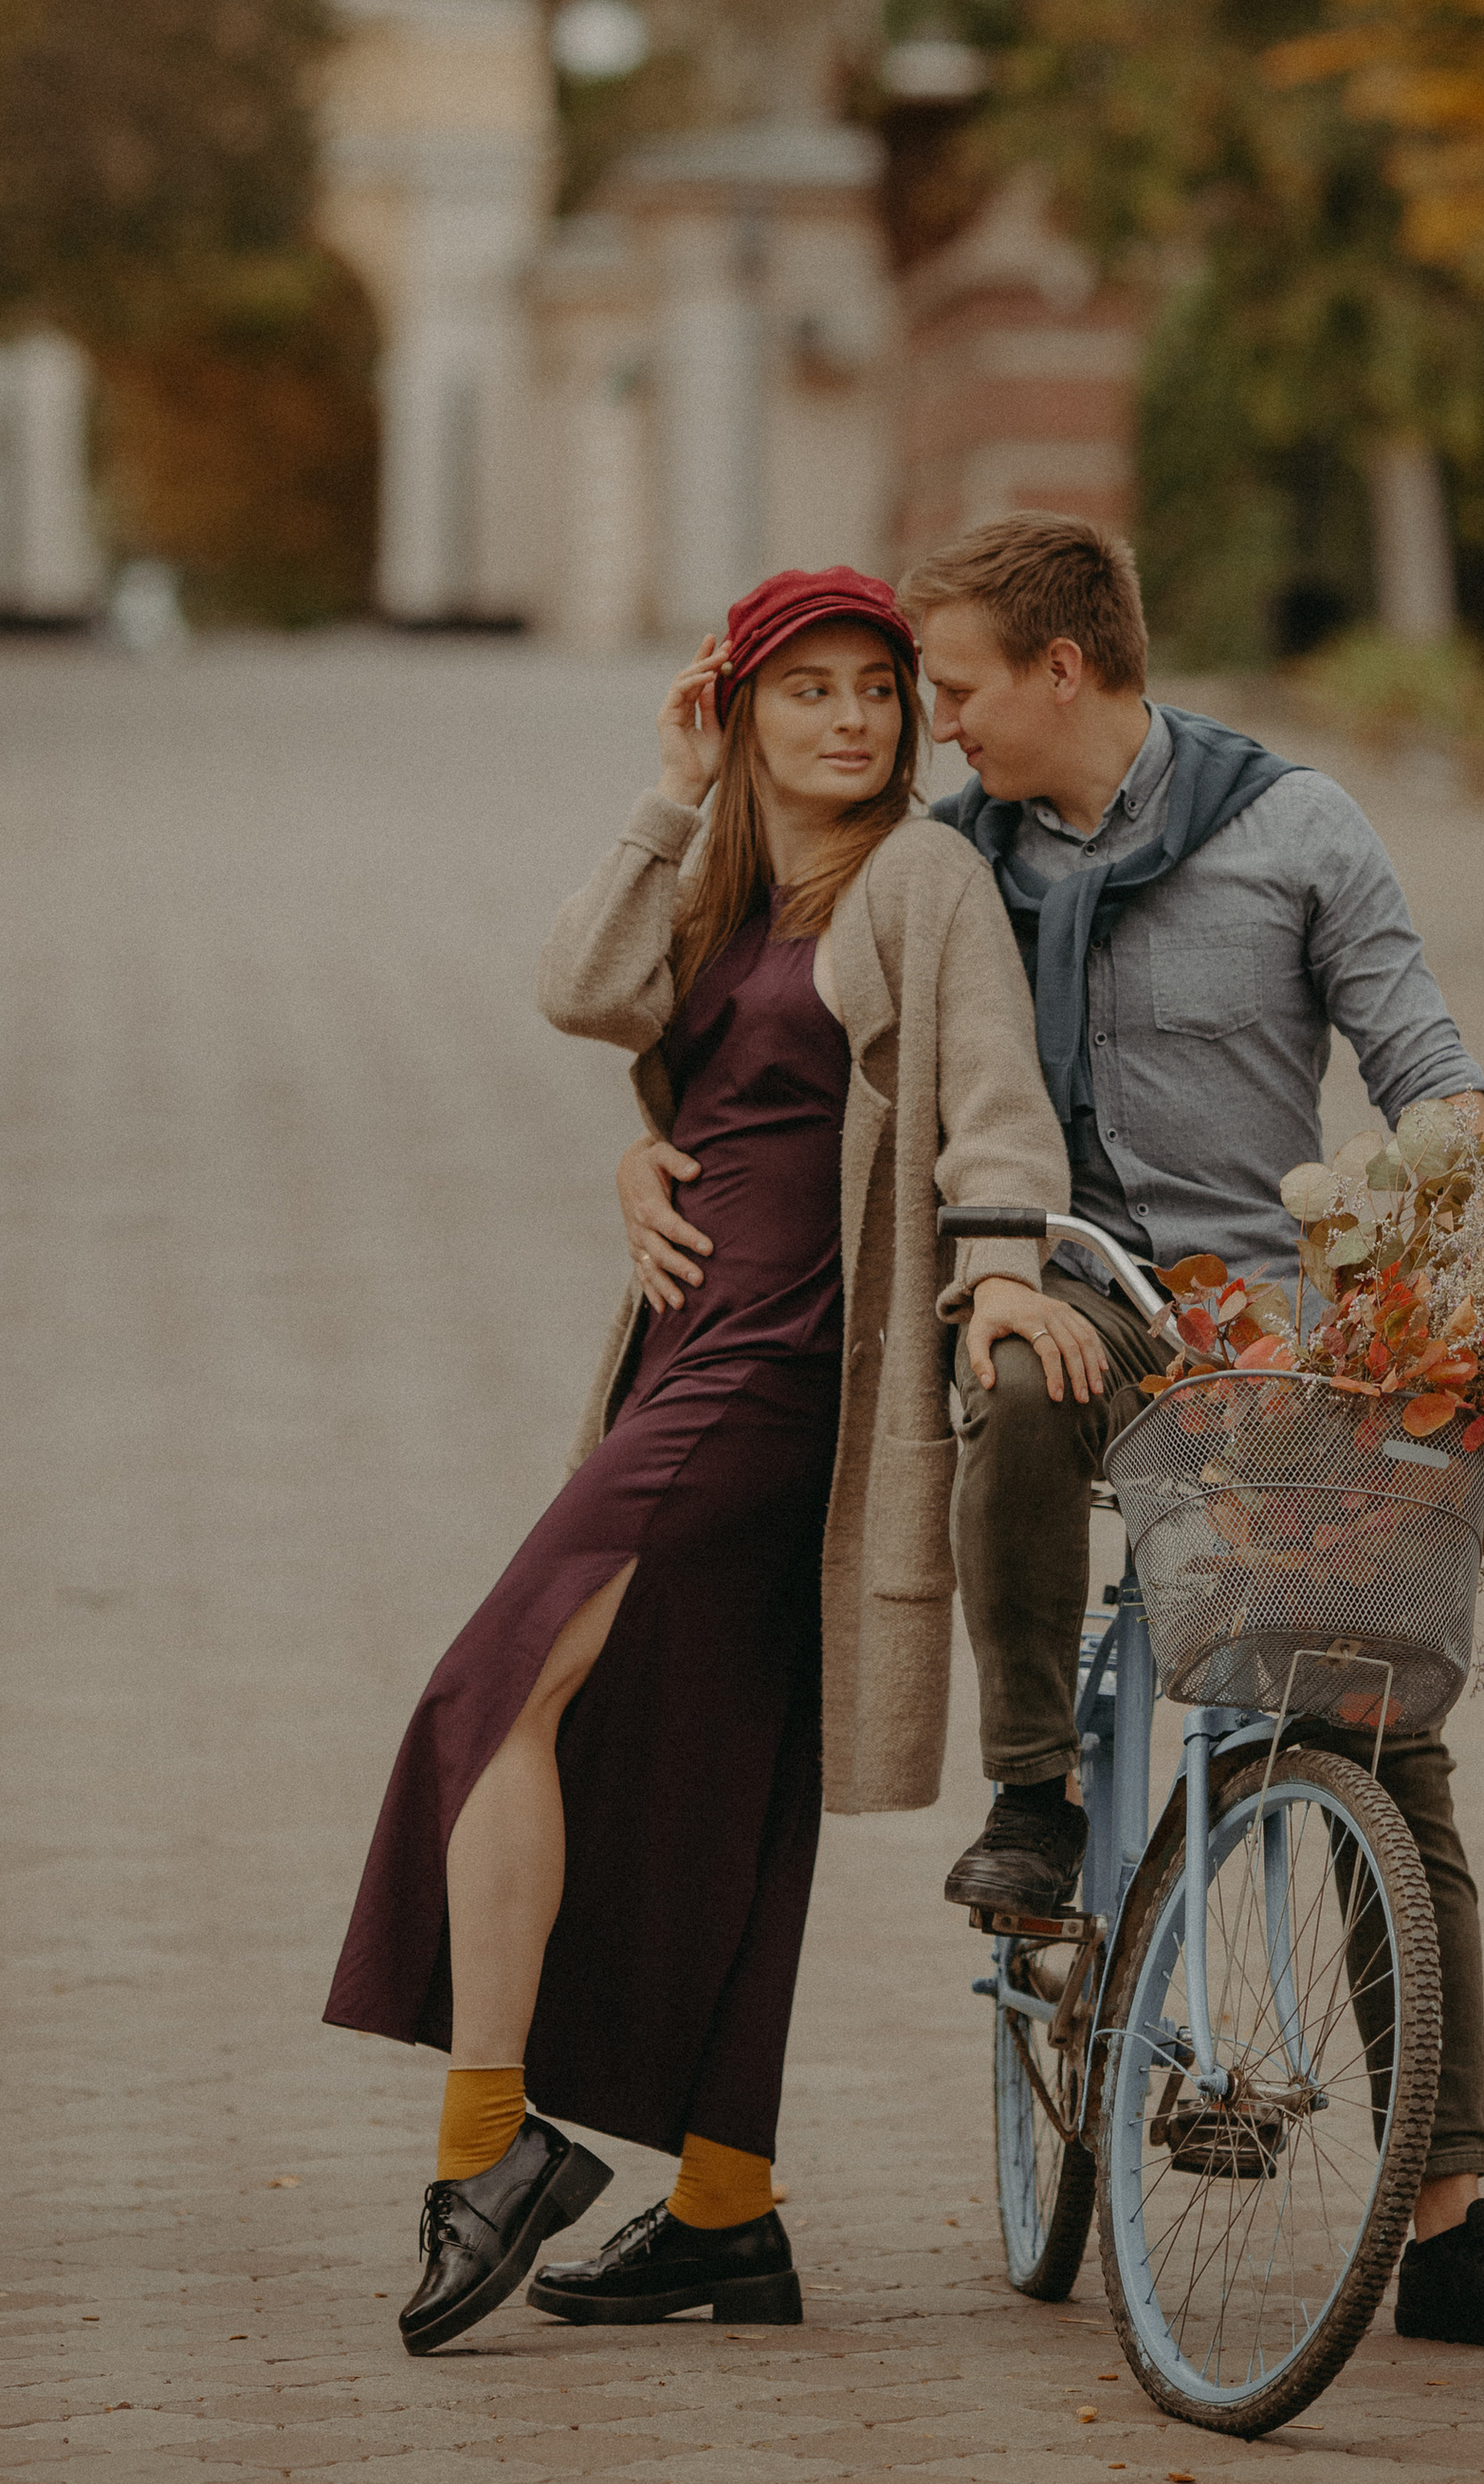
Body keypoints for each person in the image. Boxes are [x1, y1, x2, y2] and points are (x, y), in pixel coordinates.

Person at [618, 514, 1484, 2359]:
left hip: (1269, 1340)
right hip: (1056, 1290)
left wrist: (1449, 1271)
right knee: (1013, 1381)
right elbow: (740, 1011)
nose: (934, 723)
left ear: (1061, 674)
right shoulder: (942, 864)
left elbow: (1427, 1074)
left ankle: (1453, 2219)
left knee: (1384, 1740)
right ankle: (1032, 1791)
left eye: (958, 687)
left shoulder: (1289, 832)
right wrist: (643, 1133)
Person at [325, 562, 1068, 2359]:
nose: (852, 720)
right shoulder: (737, 871)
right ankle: (727, 2212)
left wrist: (1005, 1268)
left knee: (495, 1691)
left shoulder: (924, 875)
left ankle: (487, 2151)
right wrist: (669, 798)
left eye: (877, 690)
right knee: (722, 1763)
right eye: (804, 688)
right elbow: (587, 994)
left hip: (789, 1365)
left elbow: (992, 1091)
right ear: (740, 709)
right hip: (689, 1348)